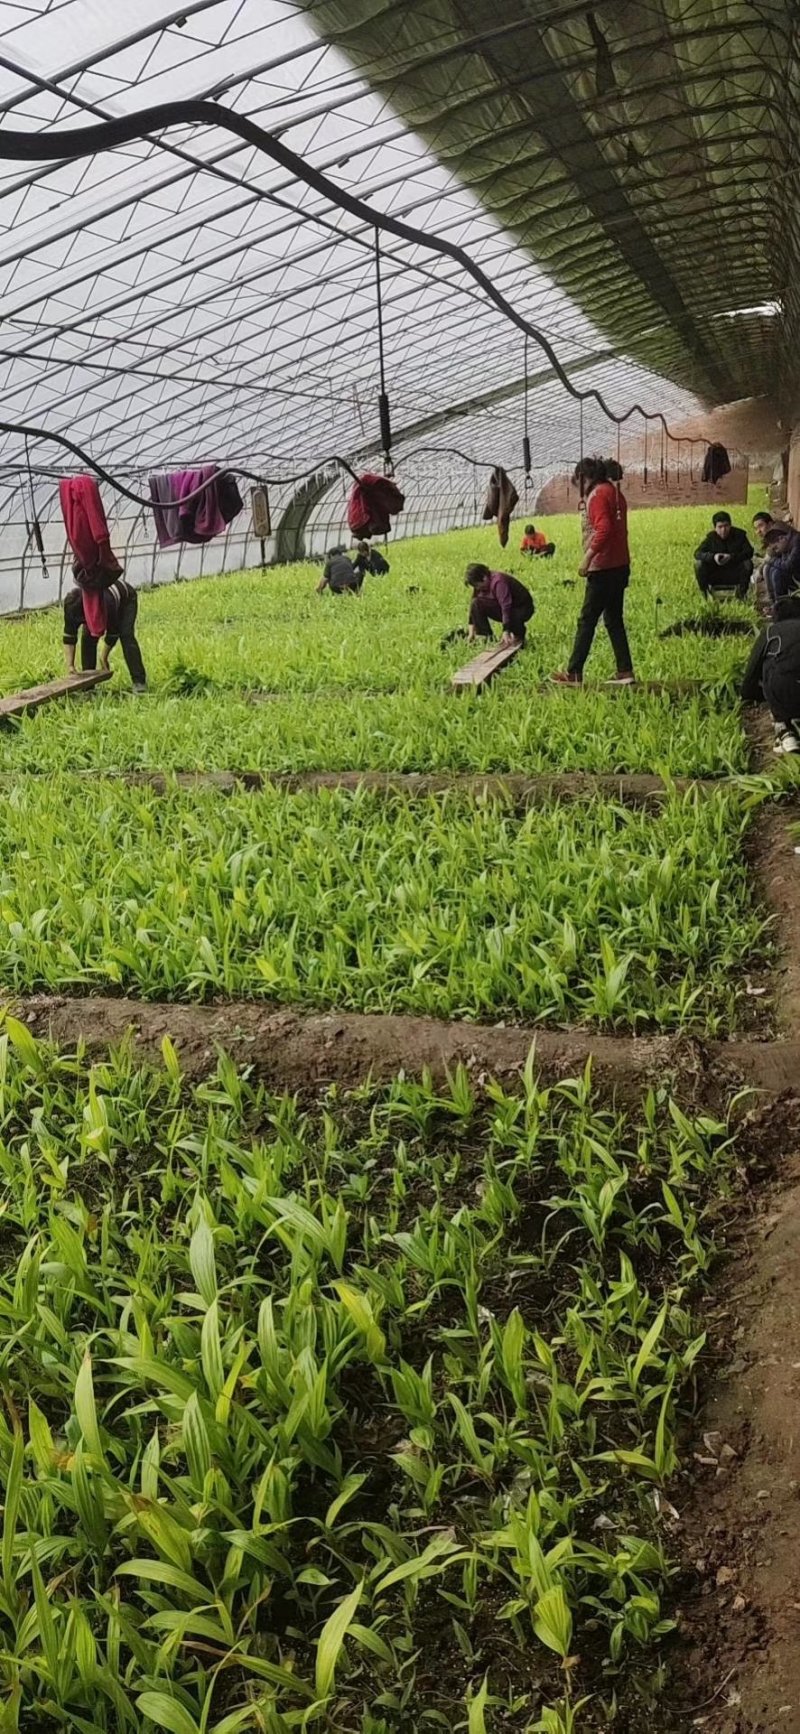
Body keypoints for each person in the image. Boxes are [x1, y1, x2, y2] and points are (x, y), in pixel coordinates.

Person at [551, 456, 635, 686]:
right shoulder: (615, 492)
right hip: (620, 565)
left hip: (603, 567)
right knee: (613, 620)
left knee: (587, 620)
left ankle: (574, 673)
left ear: (583, 477)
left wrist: (588, 557)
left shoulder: (597, 495)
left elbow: (604, 529)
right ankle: (625, 671)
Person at [63, 574, 147, 692]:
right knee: (88, 638)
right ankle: (88, 687)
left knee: (126, 636)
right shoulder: (71, 606)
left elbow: (113, 632)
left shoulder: (106, 603)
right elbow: (69, 637)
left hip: (126, 600)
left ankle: (139, 682)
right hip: (96, 607)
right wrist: (70, 666)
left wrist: (103, 657)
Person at [741, 593, 800, 753]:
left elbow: (752, 671)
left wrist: (751, 696)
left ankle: (784, 730)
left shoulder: (770, 632)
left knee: (772, 665)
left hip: (785, 691)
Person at [464, 564, 534, 646]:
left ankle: (518, 634)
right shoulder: (479, 586)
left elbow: (506, 607)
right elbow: (473, 607)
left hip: (521, 609)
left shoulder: (499, 581)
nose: (478, 588)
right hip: (507, 609)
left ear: (484, 578)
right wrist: (471, 633)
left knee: (512, 618)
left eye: (477, 585)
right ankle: (486, 636)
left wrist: (506, 630)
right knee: (476, 603)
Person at [694, 512, 753, 599]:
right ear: (715, 528)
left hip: (734, 571)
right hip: (715, 572)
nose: (723, 530)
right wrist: (713, 557)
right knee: (698, 564)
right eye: (720, 527)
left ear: (730, 525)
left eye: (726, 526)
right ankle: (705, 594)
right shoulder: (711, 538)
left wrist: (731, 557)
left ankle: (742, 593)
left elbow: (749, 552)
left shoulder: (740, 535)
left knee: (748, 563)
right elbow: (697, 553)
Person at [761, 523, 800, 607]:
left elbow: (788, 566)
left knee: (778, 574)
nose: (776, 551)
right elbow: (783, 562)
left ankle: (781, 606)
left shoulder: (798, 542)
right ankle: (774, 602)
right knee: (769, 568)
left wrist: (772, 561)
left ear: (781, 538)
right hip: (796, 575)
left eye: (776, 548)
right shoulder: (788, 543)